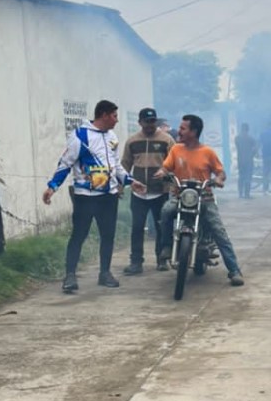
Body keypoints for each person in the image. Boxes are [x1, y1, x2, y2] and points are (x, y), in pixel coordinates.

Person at [42, 100, 145, 294]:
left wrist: (131, 181)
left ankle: (105, 273)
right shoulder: (80, 136)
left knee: (108, 235)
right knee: (79, 235)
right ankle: (70, 275)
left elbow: (116, 166)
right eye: (114, 116)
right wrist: (52, 187)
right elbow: (65, 163)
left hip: (109, 195)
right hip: (85, 196)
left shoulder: (112, 136)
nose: (116, 120)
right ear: (104, 115)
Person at [154, 114, 245, 287]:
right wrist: (162, 173)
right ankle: (166, 246)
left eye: (183, 128)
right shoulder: (176, 150)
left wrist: (218, 179)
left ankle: (234, 270)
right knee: (166, 211)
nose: (179, 131)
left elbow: (220, 172)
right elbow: (166, 167)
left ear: (194, 132)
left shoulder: (207, 152)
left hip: (204, 197)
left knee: (219, 232)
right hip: (180, 196)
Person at [121, 107, 174, 275]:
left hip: (160, 191)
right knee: (137, 228)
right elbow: (125, 164)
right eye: (147, 122)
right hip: (139, 192)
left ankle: (161, 259)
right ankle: (136, 262)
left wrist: (168, 176)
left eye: (153, 121)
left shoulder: (167, 140)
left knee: (162, 227)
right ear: (140, 123)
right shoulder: (132, 141)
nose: (150, 125)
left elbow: (175, 163)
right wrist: (121, 185)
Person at [234, 123, 257, 199]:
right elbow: (255, 149)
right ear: (248, 129)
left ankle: (240, 194)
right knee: (248, 177)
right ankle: (247, 194)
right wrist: (252, 155)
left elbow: (238, 147)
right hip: (249, 161)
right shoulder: (251, 139)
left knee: (241, 177)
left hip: (240, 160)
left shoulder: (237, 138)